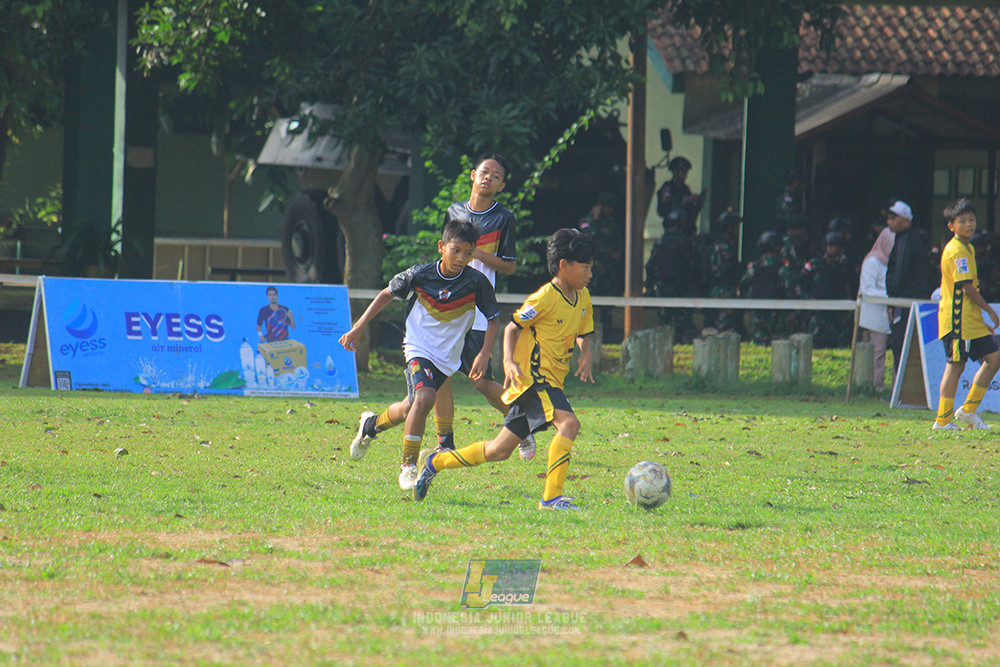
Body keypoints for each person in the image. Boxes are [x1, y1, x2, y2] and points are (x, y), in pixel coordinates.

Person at [413, 228, 595, 510]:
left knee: (499, 451)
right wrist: (509, 362)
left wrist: (587, 354)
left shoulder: (582, 297)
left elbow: (583, 331)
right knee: (569, 424)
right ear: (564, 266)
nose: (589, 274)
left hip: (552, 381)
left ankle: (436, 462)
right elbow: (512, 327)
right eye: (585, 268)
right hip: (535, 379)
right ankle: (551, 498)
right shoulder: (545, 297)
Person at [339, 219, 501, 489]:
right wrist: (358, 328)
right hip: (418, 347)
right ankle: (408, 466)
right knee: (425, 397)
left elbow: (494, 319)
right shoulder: (420, 274)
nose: (462, 258)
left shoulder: (477, 282)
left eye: (468, 253)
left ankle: (370, 425)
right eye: (456, 250)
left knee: (409, 407)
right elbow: (386, 294)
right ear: (441, 247)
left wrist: (484, 353)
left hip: (448, 356)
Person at [428, 153, 536, 461]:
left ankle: (522, 427)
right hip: (448, 305)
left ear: (502, 185)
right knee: (439, 376)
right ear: (473, 175)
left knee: (480, 382)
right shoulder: (454, 212)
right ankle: (445, 442)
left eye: (496, 175)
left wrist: (478, 254)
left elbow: (510, 267)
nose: (489, 177)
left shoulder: (503, 218)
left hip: (477, 308)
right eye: (485, 171)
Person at [932, 198, 1000, 431]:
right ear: (951, 226)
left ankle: (968, 410)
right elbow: (967, 288)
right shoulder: (956, 251)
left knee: (994, 358)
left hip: (969, 321)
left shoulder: (968, 247)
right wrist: (989, 310)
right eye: (962, 221)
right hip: (957, 322)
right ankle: (942, 421)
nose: (969, 224)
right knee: (955, 366)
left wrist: (979, 319)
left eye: (971, 220)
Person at [884, 200, 931, 381]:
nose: (889, 222)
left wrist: (891, 299)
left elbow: (900, 273)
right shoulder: (912, 238)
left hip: (906, 301)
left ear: (905, 220)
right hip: (913, 298)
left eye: (893, 218)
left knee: (900, 343)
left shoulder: (906, 239)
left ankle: (902, 387)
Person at [645, 207, 698, 339]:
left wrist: (650, 287)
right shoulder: (687, 243)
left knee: (664, 323)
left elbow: (650, 266)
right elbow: (695, 265)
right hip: (683, 286)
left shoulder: (660, 243)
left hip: (663, 286)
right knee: (684, 322)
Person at [857, 227, 895, 392]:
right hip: (875, 313)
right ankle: (875, 387)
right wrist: (889, 296)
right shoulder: (872, 261)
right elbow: (867, 289)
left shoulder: (890, 263)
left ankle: (895, 387)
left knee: (896, 350)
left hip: (889, 312)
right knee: (878, 352)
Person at [800, 232, 854, 348]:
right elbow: (802, 284)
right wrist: (809, 300)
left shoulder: (844, 265)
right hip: (818, 311)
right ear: (825, 247)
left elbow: (850, 285)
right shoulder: (815, 264)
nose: (834, 250)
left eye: (837, 247)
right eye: (831, 246)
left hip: (839, 310)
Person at [738, 231, 791, 345]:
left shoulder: (754, 267)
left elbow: (743, 284)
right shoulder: (782, 266)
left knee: (759, 346)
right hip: (778, 315)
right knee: (780, 346)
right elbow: (790, 286)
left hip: (757, 314)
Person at [578, 191, 623, 297]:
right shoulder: (585, 221)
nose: (610, 211)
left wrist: (617, 252)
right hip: (593, 262)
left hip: (607, 262)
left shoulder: (611, 222)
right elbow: (587, 236)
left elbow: (617, 238)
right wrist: (595, 219)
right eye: (608, 207)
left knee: (608, 290)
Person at [655, 156, 706, 234]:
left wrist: (699, 203)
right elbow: (665, 205)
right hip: (673, 230)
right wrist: (685, 199)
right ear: (675, 171)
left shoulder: (685, 189)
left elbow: (691, 212)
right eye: (683, 172)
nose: (685, 175)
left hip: (687, 230)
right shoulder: (667, 187)